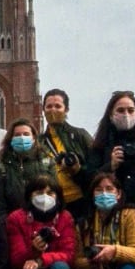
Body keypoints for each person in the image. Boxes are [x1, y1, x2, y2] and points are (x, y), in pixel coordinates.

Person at [88, 91, 135, 269]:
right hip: (113, 219)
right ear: (111, 114)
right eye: (120, 110)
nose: (126, 115)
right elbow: (90, 179)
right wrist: (110, 166)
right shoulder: (100, 144)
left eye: (130, 110)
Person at [38, 88, 94, 221]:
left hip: (81, 202)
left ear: (66, 109)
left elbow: (96, 168)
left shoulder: (80, 135)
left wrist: (78, 170)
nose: (53, 110)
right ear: (43, 110)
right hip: (52, 204)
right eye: (49, 106)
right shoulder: (39, 142)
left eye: (58, 106)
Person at [0, 118, 55, 221]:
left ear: (34, 138)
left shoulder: (47, 164)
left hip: (42, 222)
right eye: (17, 135)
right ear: (10, 139)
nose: (22, 138)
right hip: (13, 225)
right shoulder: (1, 167)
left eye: (26, 134)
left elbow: (54, 197)